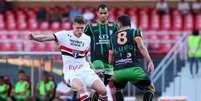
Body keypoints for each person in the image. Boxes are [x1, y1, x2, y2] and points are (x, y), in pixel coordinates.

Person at [28, 16, 107, 101]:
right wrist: (34, 37)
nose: (80, 30)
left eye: (82, 28)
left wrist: (94, 70)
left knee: (103, 91)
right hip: (71, 73)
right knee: (82, 89)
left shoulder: (87, 39)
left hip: (85, 70)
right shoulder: (64, 35)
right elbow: (47, 37)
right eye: (77, 28)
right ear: (73, 26)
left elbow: (86, 56)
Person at [109, 15, 155, 101]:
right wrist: (149, 61)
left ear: (119, 23)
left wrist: (111, 70)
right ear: (129, 23)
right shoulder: (135, 32)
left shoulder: (112, 37)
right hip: (133, 69)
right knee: (150, 88)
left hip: (118, 71)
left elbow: (111, 55)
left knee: (117, 90)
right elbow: (141, 47)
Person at [84, 3, 119, 100]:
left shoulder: (114, 26)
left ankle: (94, 97)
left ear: (108, 13)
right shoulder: (90, 27)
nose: (103, 15)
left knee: (103, 87)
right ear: (97, 14)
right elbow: (81, 39)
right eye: (101, 13)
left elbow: (119, 42)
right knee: (100, 77)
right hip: (97, 61)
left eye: (105, 13)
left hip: (110, 62)